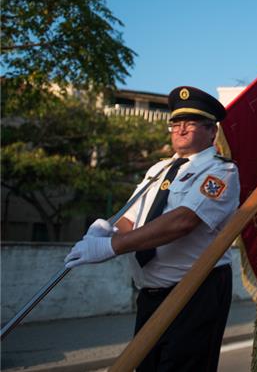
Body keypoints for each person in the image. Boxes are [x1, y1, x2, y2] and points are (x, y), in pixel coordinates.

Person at [64, 86, 239, 372]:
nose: (180, 130)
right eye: (176, 123)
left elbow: (183, 221)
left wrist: (112, 247)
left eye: (191, 123)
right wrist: (108, 230)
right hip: (150, 293)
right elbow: (131, 219)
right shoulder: (158, 169)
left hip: (194, 293)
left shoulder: (221, 171)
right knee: (147, 366)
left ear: (212, 131)